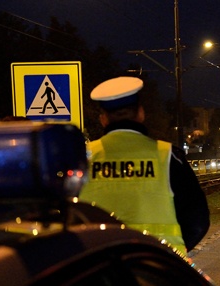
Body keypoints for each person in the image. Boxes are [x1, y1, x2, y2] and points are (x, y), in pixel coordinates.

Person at [79, 76, 209, 255]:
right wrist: (175, 253)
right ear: (141, 113)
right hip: (160, 267)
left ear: (103, 119)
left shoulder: (81, 157)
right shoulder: (168, 156)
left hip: (100, 270)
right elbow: (198, 220)